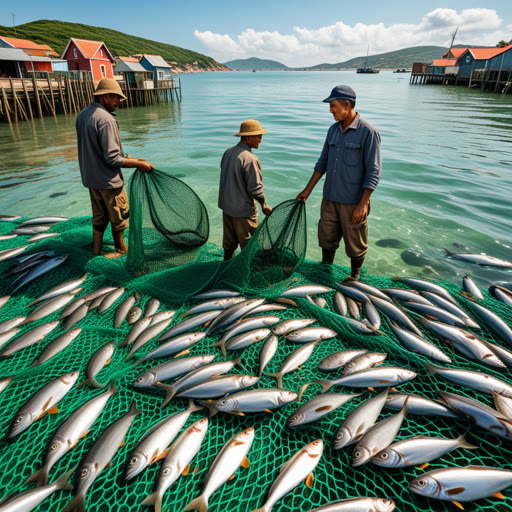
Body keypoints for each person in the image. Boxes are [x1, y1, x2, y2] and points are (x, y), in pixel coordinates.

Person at [296, 85, 381, 281]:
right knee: (327, 239)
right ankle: (326, 272)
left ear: (346, 104)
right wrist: (307, 190)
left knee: (356, 244)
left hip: (354, 202)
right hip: (330, 199)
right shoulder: (332, 131)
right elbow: (322, 163)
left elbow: (374, 172)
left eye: (333, 106)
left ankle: (355, 276)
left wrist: (362, 205)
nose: (330, 110)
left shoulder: (368, 132)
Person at [76, 78, 154, 258]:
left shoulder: (82, 115)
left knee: (99, 217)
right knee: (119, 218)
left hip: (91, 179)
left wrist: (131, 158)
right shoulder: (106, 119)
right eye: (116, 97)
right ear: (105, 96)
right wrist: (139, 164)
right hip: (108, 181)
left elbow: (98, 150)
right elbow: (111, 158)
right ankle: (121, 250)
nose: (118, 101)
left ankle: (96, 251)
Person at [219, 119, 272, 261]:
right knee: (250, 250)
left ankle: (226, 271)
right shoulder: (250, 158)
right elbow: (256, 190)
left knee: (229, 247)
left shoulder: (228, 153)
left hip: (227, 209)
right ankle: (250, 278)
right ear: (247, 137)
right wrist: (264, 205)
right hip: (243, 213)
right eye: (258, 136)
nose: (260, 140)